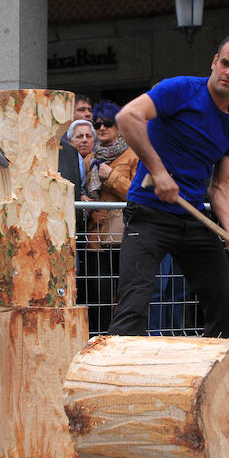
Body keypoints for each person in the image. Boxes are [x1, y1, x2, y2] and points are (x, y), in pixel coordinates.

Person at [108, 32, 229, 338]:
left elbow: (221, 184)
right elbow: (128, 116)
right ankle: (115, 377)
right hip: (148, 212)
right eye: (226, 63)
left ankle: (215, 376)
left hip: (192, 218)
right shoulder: (180, 89)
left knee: (225, 305)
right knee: (134, 302)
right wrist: (159, 171)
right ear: (215, 61)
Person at [82, 100, 139, 333]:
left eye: (108, 123)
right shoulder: (88, 159)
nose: (102, 128)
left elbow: (137, 194)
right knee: (99, 294)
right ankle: (100, 337)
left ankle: (122, 337)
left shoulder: (133, 155)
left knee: (126, 292)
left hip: (124, 234)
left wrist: (111, 176)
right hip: (96, 235)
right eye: (97, 124)